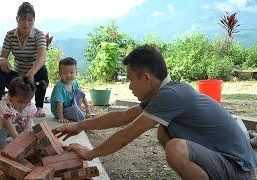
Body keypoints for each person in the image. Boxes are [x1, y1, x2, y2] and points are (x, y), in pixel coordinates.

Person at [53, 45, 257, 179]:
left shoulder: (170, 96)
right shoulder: (165, 93)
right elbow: (123, 117)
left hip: (238, 169)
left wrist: (90, 153)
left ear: (147, 78)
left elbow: (126, 135)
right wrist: (79, 125)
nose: (131, 87)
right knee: (164, 133)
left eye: (131, 79)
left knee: (175, 147)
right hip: (228, 160)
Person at [0, 2, 48, 117]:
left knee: (42, 69)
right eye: (22, 19)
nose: (26, 23)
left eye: (29, 20)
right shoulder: (10, 35)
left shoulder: (39, 35)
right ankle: (0, 106)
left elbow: (42, 58)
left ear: (34, 20)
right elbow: (3, 56)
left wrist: (30, 75)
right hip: (16, 77)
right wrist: (2, 59)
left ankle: (39, 107)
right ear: (17, 19)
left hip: (33, 75)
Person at [0, 76, 36, 148]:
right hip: (1, 125)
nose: (23, 105)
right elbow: (8, 124)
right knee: (3, 126)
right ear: (10, 95)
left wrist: (25, 136)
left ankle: (18, 136)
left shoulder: (29, 105)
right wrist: (19, 141)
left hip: (14, 123)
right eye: (20, 102)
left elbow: (28, 122)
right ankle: (0, 142)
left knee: (27, 125)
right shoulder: (4, 106)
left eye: (27, 102)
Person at [50, 57, 93, 123]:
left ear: (76, 72)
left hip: (71, 106)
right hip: (61, 111)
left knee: (79, 91)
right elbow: (59, 104)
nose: (68, 75)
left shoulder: (75, 83)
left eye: (71, 72)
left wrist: (87, 107)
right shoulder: (59, 86)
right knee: (75, 111)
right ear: (59, 73)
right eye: (64, 73)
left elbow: (81, 95)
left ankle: (79, 112)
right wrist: (61, 117)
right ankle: (84, 122)